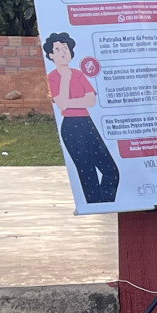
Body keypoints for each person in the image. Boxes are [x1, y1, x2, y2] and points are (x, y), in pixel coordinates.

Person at [42, 31, 119, 204]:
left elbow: (90, 100)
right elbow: (61, 105)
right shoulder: (52, 78)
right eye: (58, 49)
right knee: (87, 172)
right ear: (51, 55)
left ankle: (104, 203)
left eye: (65, 47)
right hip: (71, 127)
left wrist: (69, 101)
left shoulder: (78, 74)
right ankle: (95, 205)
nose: (63, 51)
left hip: (87, 122)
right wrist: (65, 80)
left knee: (110, 170)